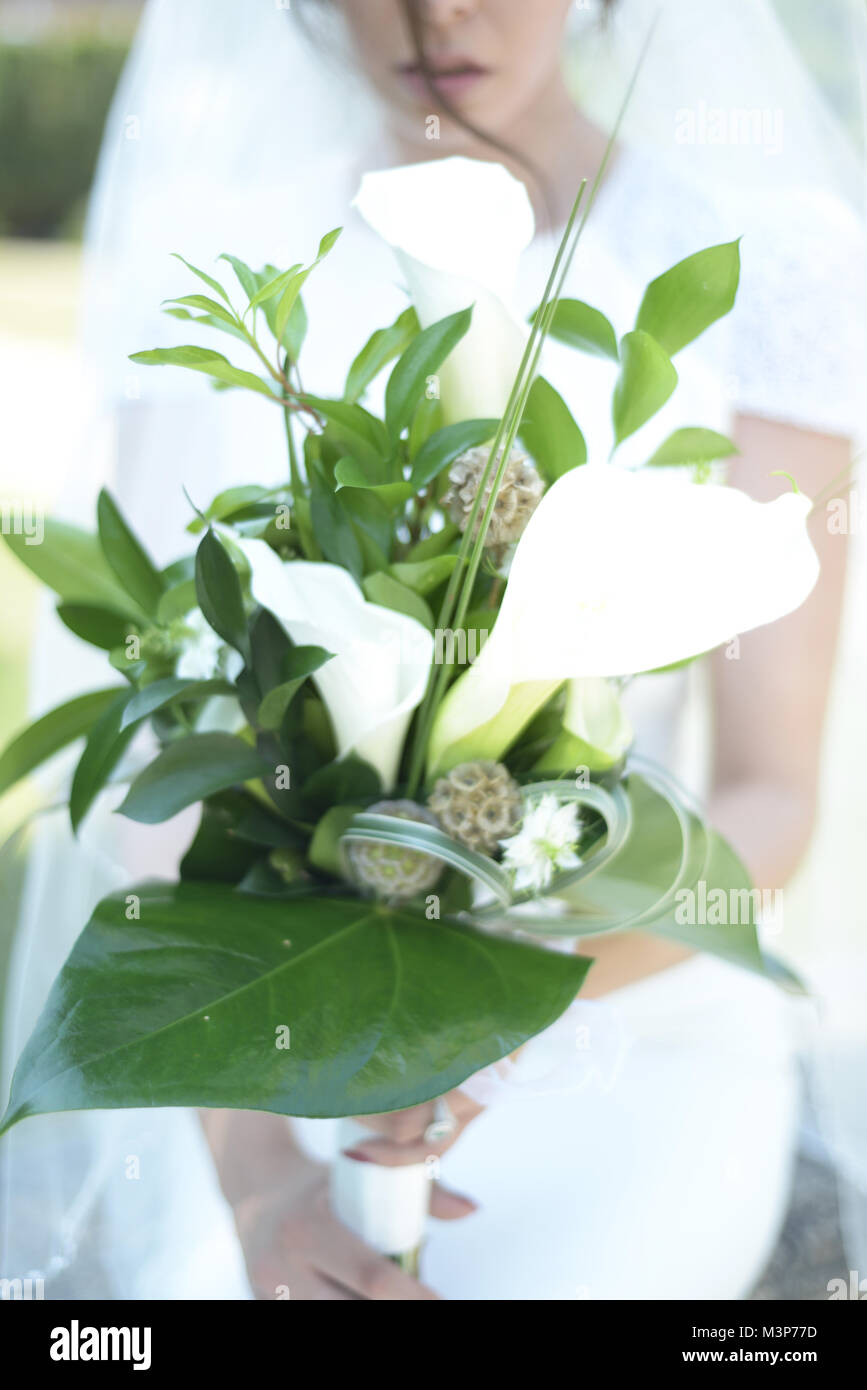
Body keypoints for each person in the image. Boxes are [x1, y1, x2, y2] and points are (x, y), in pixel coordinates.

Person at [2, 0, 864, 1300]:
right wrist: (259, 1175)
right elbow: (168, 765)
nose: (438, 11)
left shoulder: (773, 263)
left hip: (623, 1018)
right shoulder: (225, 259)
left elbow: (770, 794)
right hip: (271, 1029)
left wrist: (481, 1008)